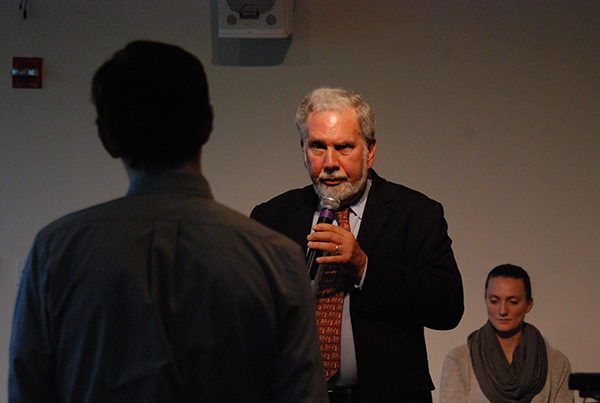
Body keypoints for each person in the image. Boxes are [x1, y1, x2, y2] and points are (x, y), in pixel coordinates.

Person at [8, 40, 328, 403]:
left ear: (107, 137)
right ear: (208, 122)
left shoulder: (56, 252)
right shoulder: (276, 260)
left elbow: (28, 391)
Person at [250, 87, 464, 402]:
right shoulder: (273, 217)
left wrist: (365, 266)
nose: (330, 162)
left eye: (344, 147)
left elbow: (446, 307)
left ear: (370, 150)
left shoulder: (414, 213)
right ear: (303, 149)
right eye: (318, 146)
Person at [439, 264, 573, 402]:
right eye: (494, 301)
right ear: (485, 300)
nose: (503, 310)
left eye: (513, 302)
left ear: (529, 304)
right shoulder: (459, 359)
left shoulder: (556, 363)